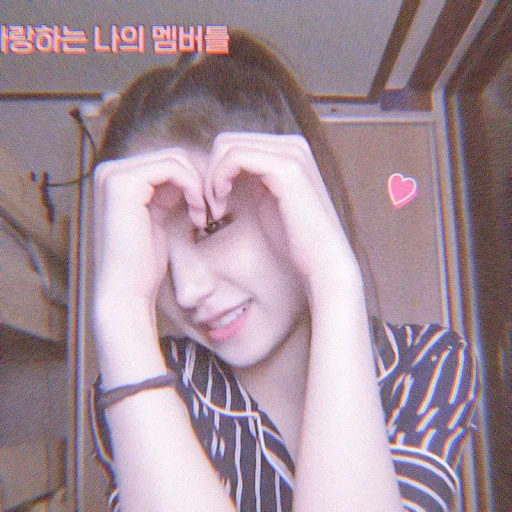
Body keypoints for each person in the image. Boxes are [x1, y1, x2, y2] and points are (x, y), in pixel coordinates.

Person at [89, 30, 479, 512]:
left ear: (295, 203)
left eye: (213, 227)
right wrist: (121, 314)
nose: (187, 291)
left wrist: (334, 281)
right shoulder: (141, 375)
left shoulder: (425, 366)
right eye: (158, 260)